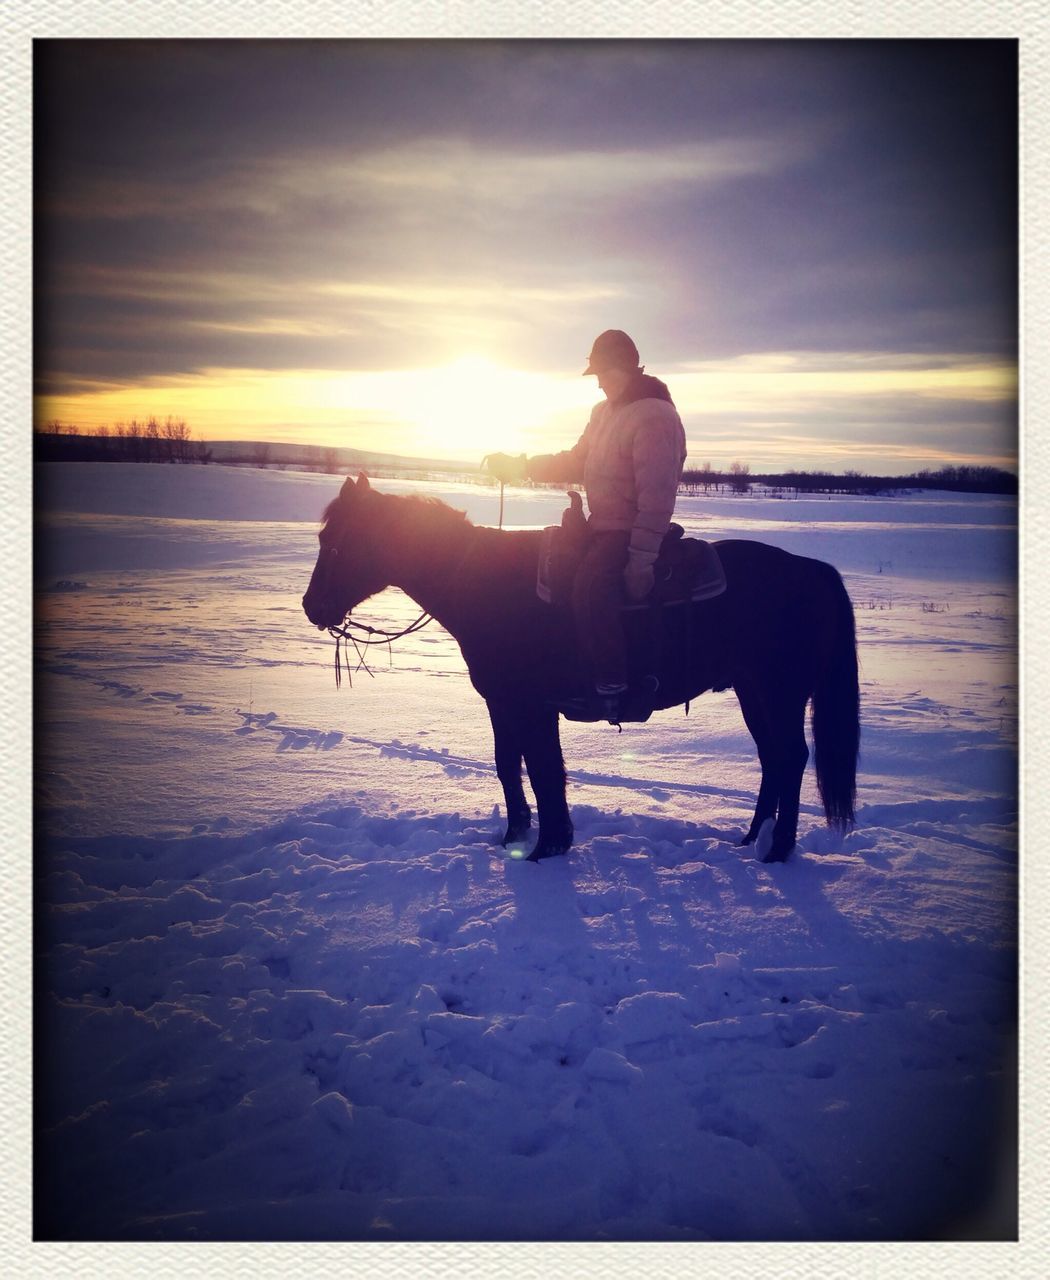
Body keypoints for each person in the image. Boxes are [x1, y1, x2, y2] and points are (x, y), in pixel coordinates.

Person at [485, 330, 687, 713]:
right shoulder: (605, 413)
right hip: (601, 526)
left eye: (603, 373)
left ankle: (614, 682)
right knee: (547, 569)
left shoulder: (655, 416)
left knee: (592, 586)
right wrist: (521, 465)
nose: (597, 382)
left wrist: (641, 560)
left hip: (630, 531)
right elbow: (576, 460)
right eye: (595, 374)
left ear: (626, 368)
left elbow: (657, 497)